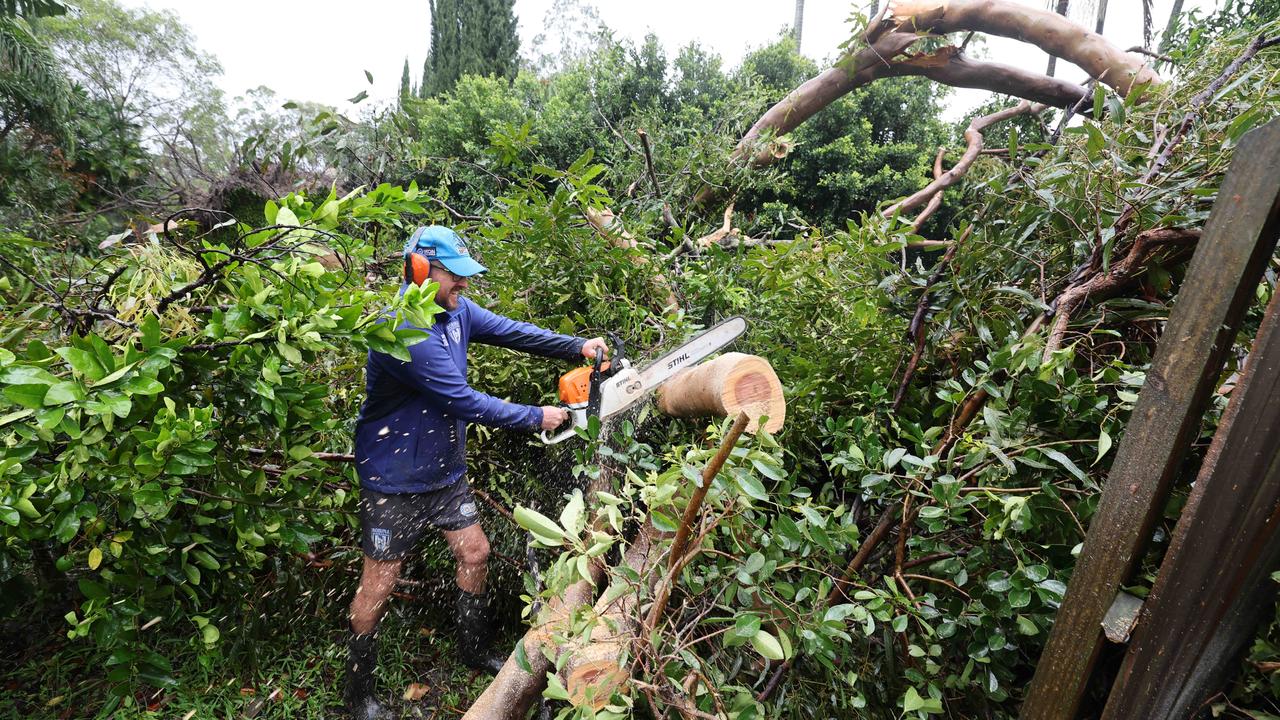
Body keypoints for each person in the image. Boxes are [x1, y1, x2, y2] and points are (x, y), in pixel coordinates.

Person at [343, 225, 607, 719]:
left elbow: (511, 332)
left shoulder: (455, 309)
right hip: (393, 481)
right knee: (379, 583)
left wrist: (576, 347)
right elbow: (460, 400)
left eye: (465, 275)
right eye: (454, 275)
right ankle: (358, 694)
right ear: (420, 270)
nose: (463, 284)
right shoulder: (405, 328)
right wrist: (537, 416)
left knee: (476, 551)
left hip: (444, 470)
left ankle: (473, 647)